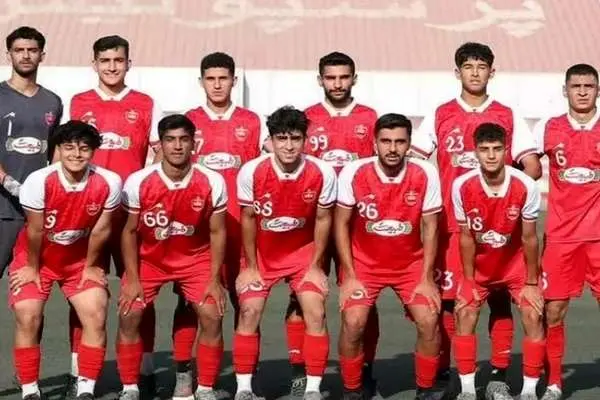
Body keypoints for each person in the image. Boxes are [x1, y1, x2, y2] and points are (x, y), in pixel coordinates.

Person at [410, 42, 541, 399]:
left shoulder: (506, 115)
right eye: (468, 67)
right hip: (454, 227)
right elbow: (417, 161)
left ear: (491, 72)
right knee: (451, 301)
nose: (475, 73)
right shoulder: (441, 114)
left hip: (501, 228)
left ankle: (498, 374)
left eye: (482, 67)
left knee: (499, 300)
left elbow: (532, 165)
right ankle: (449, 373)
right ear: (457, 72)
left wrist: (509, 191)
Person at [165, 52, 267, 397]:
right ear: (201, 82)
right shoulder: (188, 121)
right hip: (197, 232)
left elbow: (261, 172)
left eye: (224, 78)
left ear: (234, 81)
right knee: (189, 304)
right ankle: (183, 373)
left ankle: (245, 382)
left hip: (241, 228)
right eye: (211, 79)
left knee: (247, 303)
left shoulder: (252, 121)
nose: (217, 85)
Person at [67, 34, 162, 398]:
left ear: (128, 64)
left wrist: (147, 191)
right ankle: (79, 370)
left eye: (118, 60)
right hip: (88, 214)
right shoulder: (79, 102)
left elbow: (158, 153)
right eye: (105, 60)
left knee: (139, 290)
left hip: (129, 216)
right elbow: (66, 154)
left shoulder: (145, 103)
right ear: (94, 64)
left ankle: (144, 368)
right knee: (83, 291)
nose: (111, 67)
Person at [284, 51, 378, 397]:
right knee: (302, 297)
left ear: (354, 78)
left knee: (363, 299)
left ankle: (364, 369)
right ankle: (301, 371)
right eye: (330, 77)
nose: (337, 84)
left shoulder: (370, 118)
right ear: (320, 79)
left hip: (358, 224)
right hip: (315, 223)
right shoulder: (306, 118)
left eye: (343, 77)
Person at [116, 114, 227, 400]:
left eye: (183, 140)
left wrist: (214, 279)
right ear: (160, 145)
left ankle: (205, 387)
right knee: (130, 313)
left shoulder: (212, 181)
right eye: (170, 140)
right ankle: (130, 387)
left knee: (212, 313)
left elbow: (217, 232)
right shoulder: (139, 181)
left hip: (195, 259)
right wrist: (132, 279)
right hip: (150, 260)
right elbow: (129, 232)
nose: (177, 146)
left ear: (194, 144)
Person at [9, 121, 121, 400]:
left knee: (96, 311)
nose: (76, 154)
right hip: (37, 258)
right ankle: (30, 389)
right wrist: (32, 267)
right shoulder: (39, 180)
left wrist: (91, 266)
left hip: (78, 261)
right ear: (58, 149)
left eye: (84, 148)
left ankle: (86, 387)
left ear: (93, 151)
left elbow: (102, 229)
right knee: (27, 314)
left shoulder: (109, 181)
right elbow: (35, 230)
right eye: (69, 147)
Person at [335, 113, 443, 400]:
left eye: (399, 142)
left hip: (410, 265)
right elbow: (341, 224)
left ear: (409, 143)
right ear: (374, 143)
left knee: (429, 319)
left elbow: (431, 227)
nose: (392, 148)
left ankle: (426, 389)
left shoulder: (425, 173)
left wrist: (427, 278)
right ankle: (352, 389)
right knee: (354, 321)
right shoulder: (354, 172)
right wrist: (349, 276)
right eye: (386, 141)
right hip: (363, 265)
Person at [232, 106, 336, 400]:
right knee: (249, 310)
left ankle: (312, 389)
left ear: (305, 140)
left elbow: (323, 219)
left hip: (303, 255)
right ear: (271, 140)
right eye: (281, 138)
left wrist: (315, 265)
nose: (289, 146)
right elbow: (248, 219)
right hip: (262, 256)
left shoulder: (322, 172)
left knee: (315, 311)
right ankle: (244, 389)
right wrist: (250, 266)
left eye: (295, 138)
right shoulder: (252, 171)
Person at [451, 123, 545, 400]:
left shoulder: (525, 185)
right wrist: (469, 281)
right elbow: (466, 237)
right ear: (475, 152)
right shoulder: (462, 185)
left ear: (506, 151)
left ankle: (529, 392)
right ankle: (468, 391)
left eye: (497, 149)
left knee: (533, 313)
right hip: (480, 267)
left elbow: (530, 238)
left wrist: (531, 283)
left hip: (515, 267)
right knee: (465, 313)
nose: (491, 155)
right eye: (484, 149)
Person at [535, 63, 600, 400]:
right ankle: (554, 381)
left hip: (599, 238)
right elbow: (526, 167)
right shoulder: (548, 127)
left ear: (598, 90)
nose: (583, 92)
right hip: (561, 237)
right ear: (566, 90)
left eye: (589, 86)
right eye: (576, 86)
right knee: (553, 311)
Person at [0, 26, 63, 277]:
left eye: (32, 50)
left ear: (41, 55)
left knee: (31, 281)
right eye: (19, 50)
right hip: (3, 208)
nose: (25, 55)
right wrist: (7, 181)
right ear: (9, 55)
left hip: (38, 209)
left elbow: (56, 151)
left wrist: (53, 189)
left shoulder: (53, 101)